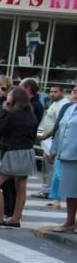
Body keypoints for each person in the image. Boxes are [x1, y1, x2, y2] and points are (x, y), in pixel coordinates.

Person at [0, 88, 38, 228]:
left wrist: (4, 111)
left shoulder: (13, 114)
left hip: (14, 152)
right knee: (21, 187)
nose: (7, 97)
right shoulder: (31, 115)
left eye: (10, 95)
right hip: (28, 151)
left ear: (15, 99)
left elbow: (1, 130)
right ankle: (16, 218)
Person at [46, 89, 77, 232]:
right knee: (70, 191)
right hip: (66, 154)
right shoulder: (69, 108)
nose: (75, 94)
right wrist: (53, 149)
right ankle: (69, 221)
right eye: (74, 91)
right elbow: (59, 130)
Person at [36, 85, 68, 198]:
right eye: (51, 91)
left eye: (55, 92)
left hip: (53, 140)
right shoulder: (54, 103)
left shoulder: (63, 104)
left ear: (62, 92)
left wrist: (46, 136)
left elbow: (59, 125)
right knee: (46, 165)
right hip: (48, 140)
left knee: (50, 166)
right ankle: (46, 188)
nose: (52, 94)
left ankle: (49, 190)